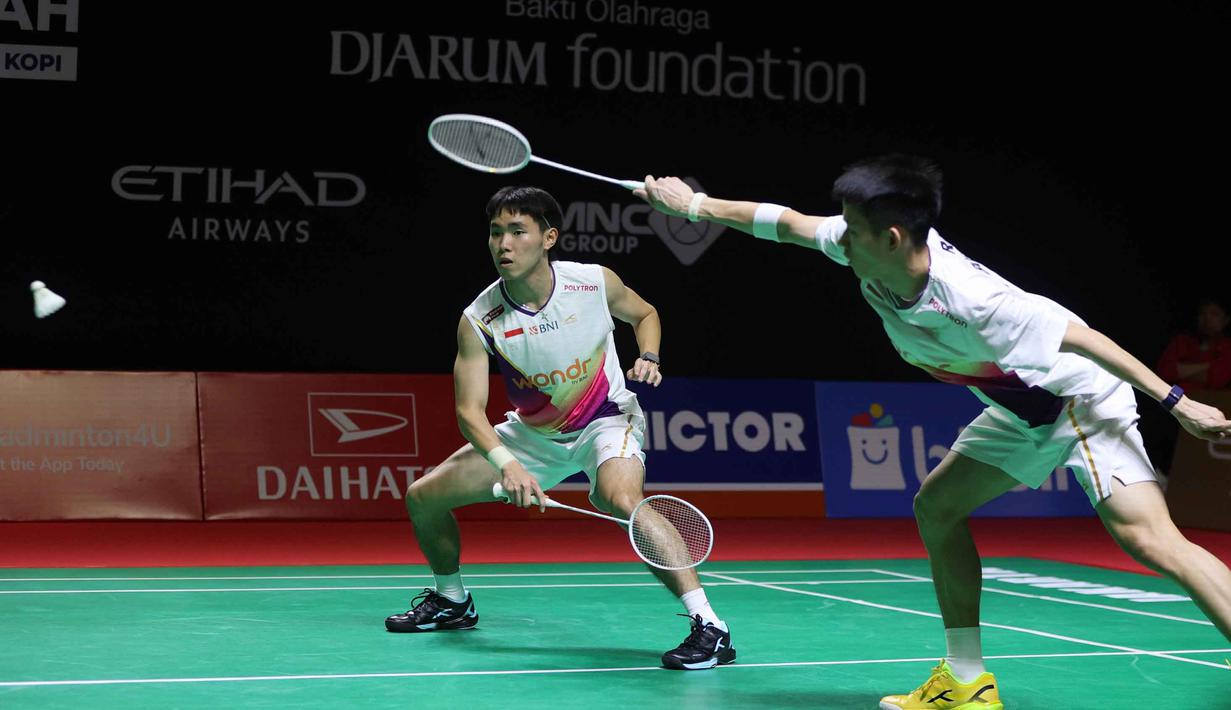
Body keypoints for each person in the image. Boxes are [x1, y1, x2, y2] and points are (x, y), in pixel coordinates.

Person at [635, 156, 1231, 708]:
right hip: (1020, 410)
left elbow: (1080, 335)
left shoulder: (976, 300)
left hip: (1077, 401)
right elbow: (784, 223)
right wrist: (693, 207)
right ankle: (967, 682)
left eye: (852, 229)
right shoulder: (862, 247)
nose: (839, 237)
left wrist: (1175, 400)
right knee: (938, 507)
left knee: (1152, 542)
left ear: (892, 238)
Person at [384, 186, 735, 671]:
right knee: (423, 497)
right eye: (495, 232)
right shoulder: (479, 318)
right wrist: (508, 466)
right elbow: (469, 411)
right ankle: (452, 600)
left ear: (548, 237)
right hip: (533, 436)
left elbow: (645, 313)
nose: (503, 244)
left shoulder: (592, 283)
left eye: (517, 231)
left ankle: (710, 627)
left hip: (607, 419)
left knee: (620, 500)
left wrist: (649, 356)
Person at [1158, 298, 1231, 391]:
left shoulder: (1228, 347)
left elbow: (1219, 378)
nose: (1207, 318)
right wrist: (1211, 365)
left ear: (1226, 320)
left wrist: (1181, 369)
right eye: (1202, 313)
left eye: (1214, 314)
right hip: (1177, 399)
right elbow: (1165, 372)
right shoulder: (1181, 342)